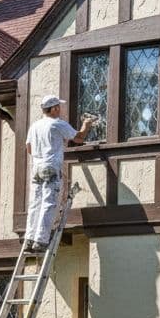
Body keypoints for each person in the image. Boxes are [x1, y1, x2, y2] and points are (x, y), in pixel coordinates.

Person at [25, 96, 95, 251]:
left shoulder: (34, 126)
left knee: (35, 203)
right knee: (49, 203)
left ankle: (30, 238)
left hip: (36, 168)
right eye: (59, 107)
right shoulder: (57, 124)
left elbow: (29, 149)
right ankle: (41, 240)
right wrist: (86, 124)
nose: (60, 110)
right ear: (54, 108)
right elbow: (78, 138)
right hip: (51, 167)